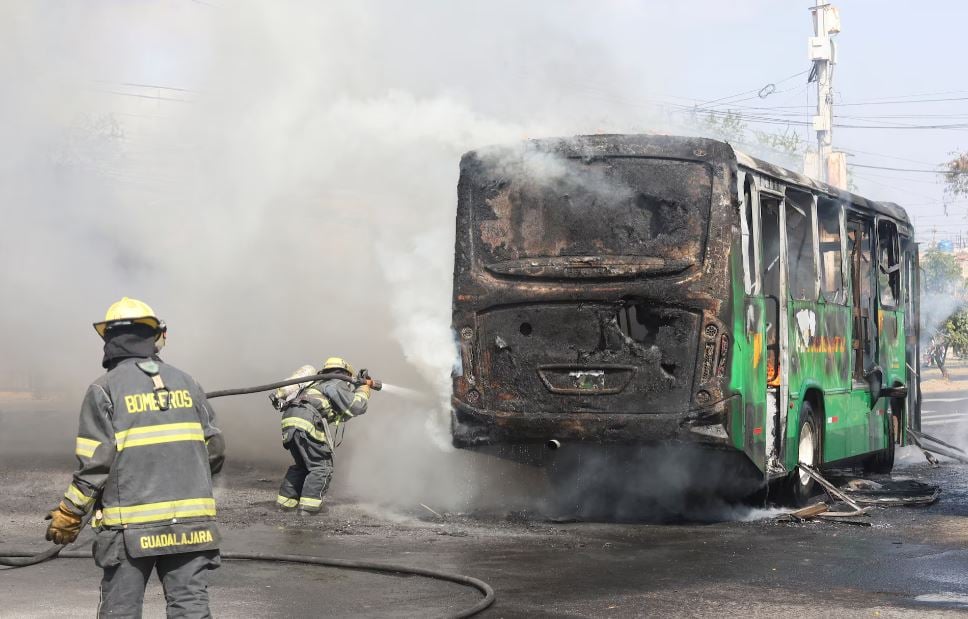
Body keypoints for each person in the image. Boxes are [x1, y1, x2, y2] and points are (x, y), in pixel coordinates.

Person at [45, 297, 225, 617]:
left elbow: (94, 465)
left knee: (121, 611)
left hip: (130, 532)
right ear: (153, 336)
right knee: (191, 609)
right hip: (192, 526)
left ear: (109, 339)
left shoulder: (104, 389)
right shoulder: (189, 383)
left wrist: (70, 513)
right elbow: (214, 449)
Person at [273, 357, 373, 514]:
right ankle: (309, 508)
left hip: (290, 420)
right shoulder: (335, 382)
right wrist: (363, 390)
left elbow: (340, 412)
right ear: (345, 372)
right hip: (307, 421)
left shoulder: (316, 383)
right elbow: (355, 407)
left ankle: (285, 504)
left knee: (303, 466)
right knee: (321, 467)